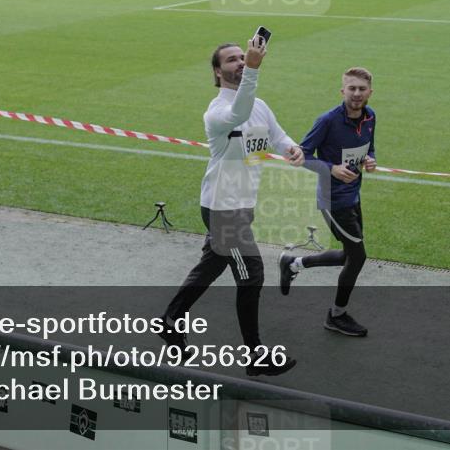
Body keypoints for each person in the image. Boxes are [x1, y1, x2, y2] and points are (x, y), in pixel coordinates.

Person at [160, 36, 304, 377]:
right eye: (231, 59)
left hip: (241, 205)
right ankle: (255, 355)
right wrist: (253, 69)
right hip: (223, 210)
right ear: (217, 71)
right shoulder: (218, 113)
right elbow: (238, 111)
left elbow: (277, 136)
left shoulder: (260, 105)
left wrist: (292, 148)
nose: (239, 62)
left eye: (242, 57)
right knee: (251, 274)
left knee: (211, 265)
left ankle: (171, 320)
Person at [279, 67, 376, 337]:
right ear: (342, 91)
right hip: (333, 200)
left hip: (353, 194)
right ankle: (336, 315)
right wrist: (331, 169)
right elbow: (301, 156)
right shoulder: (327, 121)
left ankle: (294, 263)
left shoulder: (370, 116)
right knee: (358, 257)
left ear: (370, 92)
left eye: (362, 89)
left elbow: (370, 146)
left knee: (348, 255)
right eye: (351, 88)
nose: (356, 93)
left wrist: (371, 160)